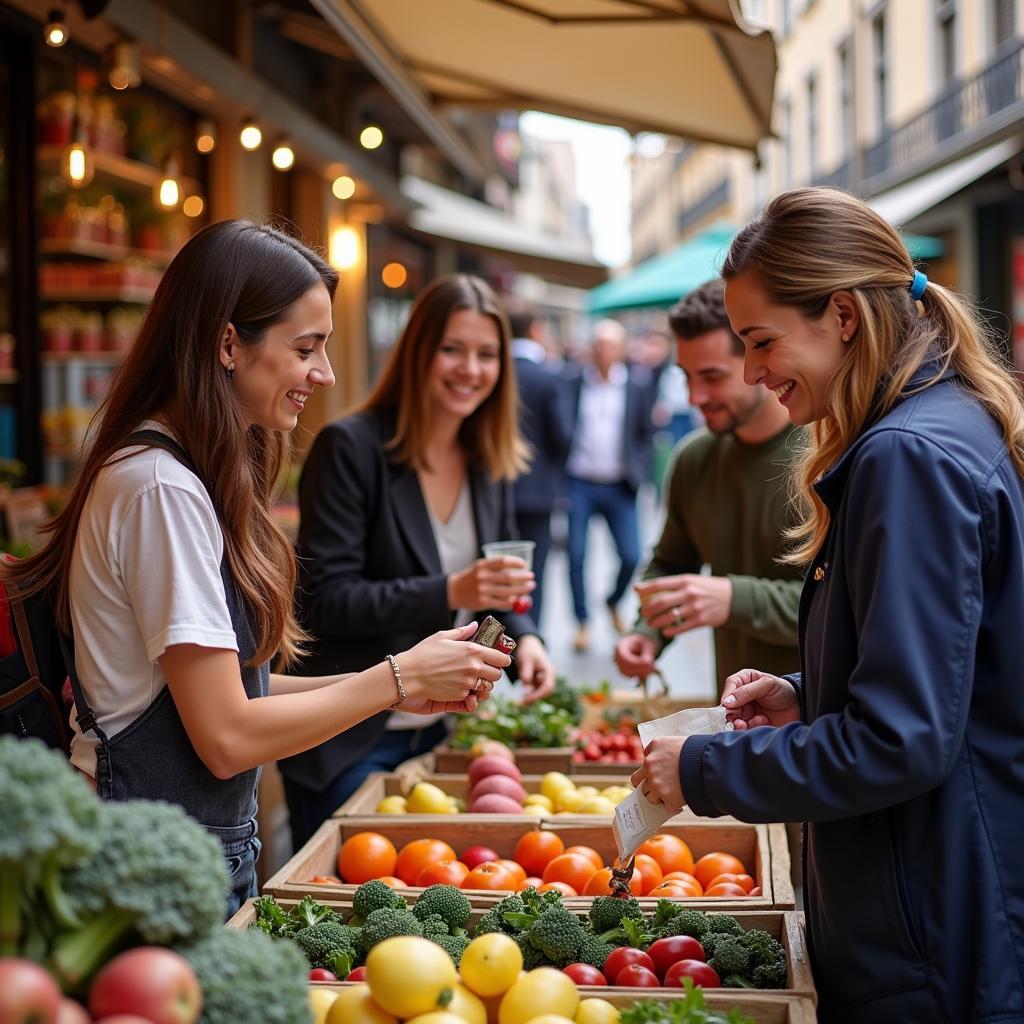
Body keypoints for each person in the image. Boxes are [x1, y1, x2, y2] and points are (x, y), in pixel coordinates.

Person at [1, 222, 511, 915]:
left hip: (177, 856)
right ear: (228, 343)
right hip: (152, 876)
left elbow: (237, 696)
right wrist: (397, 678)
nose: (324, 373)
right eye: (306, 348)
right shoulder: (161, 489)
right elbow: (227, 737)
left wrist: (392, 687)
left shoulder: (176, 476)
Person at [634, 188, 1024, 1023]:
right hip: (940, 900)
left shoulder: (907, 456)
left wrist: (703, 768)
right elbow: (958, 678)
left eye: (761, 341)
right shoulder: (939, 426)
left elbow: (902, 740)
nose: (751, 372)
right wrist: (809, 696)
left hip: (930, 924)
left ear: (841, 315)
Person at [281, 274, 557, 848]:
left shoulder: (486, 459)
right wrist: (453, 586)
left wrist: (526, 637)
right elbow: (323, 600)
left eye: (486, 354)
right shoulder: (351, 448)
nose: (470, 369)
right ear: (418, 353)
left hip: (442, 736)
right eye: (452, 349)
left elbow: (496, 581)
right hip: (348, 738)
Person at [614, 279, 802, 695]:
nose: (694, 396)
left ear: (759, 359)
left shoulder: (826, 454)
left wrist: (734, 598)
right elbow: (671, 562)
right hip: (735, 718)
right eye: (685, 376)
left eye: (712, 377)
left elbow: (853, 607)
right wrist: (648, 632)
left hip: (823, 718)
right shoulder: (693, 458)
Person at [565, 319, 655, 652]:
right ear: (591, 349)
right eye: (598, 345)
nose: (603, 352)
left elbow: (646, 433)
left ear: (620, 350)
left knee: (631, 555)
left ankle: (613, 600)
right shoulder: (573, 382)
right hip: (580, 483)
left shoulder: (636, 386)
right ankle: (582, 622)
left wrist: (640, 470)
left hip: (620, 485)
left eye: (610, 346)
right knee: (576, 555)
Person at [507, 305, 574, 628]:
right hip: (540, 491)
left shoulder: (497, 374)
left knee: (501, 574)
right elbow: (563, 437)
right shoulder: (549, 377)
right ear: (534, 329)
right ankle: (531, 639)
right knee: (536, 574)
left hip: (498, 490)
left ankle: (496, 643)